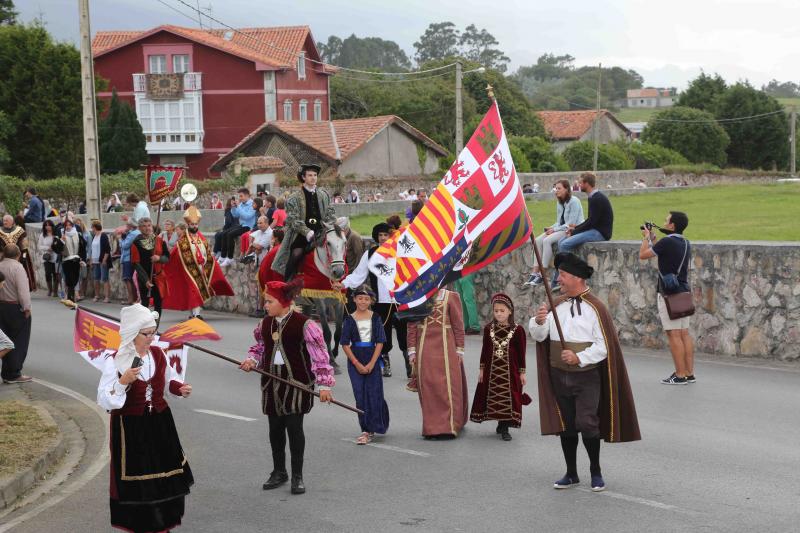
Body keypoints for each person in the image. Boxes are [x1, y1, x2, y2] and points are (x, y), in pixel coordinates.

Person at [529, 252, 641, 492]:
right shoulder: (555, 304)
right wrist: (538, 322)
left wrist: (579, 357)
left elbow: (604, 346)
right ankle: (571, 473)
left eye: (562, 274)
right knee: (567, 424)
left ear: (577, 278)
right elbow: (539, 336)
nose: (558, 279)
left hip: (586, 376)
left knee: (587, 422)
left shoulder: (596, 308)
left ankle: (595, 471)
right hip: (558, 374)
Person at [97, 304, 194, 532]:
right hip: (131, 428)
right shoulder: (116, 361)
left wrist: (179, 388)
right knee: (140, 482)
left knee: (164, 478)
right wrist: (122, 382)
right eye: (146, 334)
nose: (151, 338)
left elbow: (167, 382)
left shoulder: (158, 354)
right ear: (132, 333)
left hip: (160, 424)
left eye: (153, 332)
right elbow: (104, 399)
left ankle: (163, 527)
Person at [240, 279, 335, 495]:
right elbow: (260, 347)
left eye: (269, 301)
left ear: (283, 303)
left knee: (294, 429)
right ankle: (279, 471)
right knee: (275, 429)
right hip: (271, 382)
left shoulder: (305, 325)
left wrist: (324, 385)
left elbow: (320, 356)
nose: (265, 305)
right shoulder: (265, 324)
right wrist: (251, 360)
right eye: (265, 301)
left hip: (297, 383)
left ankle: (297, 476)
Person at [337, 223, 410, 378]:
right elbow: (359, 274)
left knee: (404, 333)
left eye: (385, 235)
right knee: (382, 334)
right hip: (380, 302)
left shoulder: (401, 252)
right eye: (380, 235)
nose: (383, 238)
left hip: (400, 300)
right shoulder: (370, 254)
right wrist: (343, 284)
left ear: (391, 236)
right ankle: (385, 363)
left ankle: (410, 364)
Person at [639, 211, 695, 385]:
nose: (664, 222)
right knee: (684, 334)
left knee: (674, 335)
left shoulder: (667, 242)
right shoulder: (685, 242)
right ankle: (688, 373)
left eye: (666, 220)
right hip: (683, 292)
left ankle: (679, 375)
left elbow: (643, 255)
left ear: (672, 225)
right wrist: (654, 239)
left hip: (668, 293)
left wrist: (646, 237)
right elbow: (664, 254)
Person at [407, 288, 469, 439]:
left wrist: (459, 349)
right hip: (424, 348)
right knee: (428, 386)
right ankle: (431, 428)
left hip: (447, 348)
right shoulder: (417, 296)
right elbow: (412, 325)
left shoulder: (451, 297)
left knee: (447, 387)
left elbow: (458, 324)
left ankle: (449, 427)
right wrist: (412, 351)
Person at [469, 293, 528, 441]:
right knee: (494, 395)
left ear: (510, 311)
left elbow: (521, 353)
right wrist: (482, 370)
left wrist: (522, 372)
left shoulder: (518, 330)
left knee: (509, 396)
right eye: (496, 311)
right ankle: (500, 424)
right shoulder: (489, 329)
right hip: (492, 370)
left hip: (510, 371)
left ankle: (504, 427)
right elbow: (485, 350)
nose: (499, 314)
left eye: (502, 311)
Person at [162, 206, 234, 320]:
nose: (194, 226)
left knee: (197, 291)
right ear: (188, 225)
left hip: (201, 268)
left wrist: (204, 260)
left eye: (196, 224)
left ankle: (194, 313)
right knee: (193, 290)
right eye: (192, 224)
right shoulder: (183, 241)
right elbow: (178, 255)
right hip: (188, 269)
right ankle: (196, 314)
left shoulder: (201, 239)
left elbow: (207, 252)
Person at [340, 286, 389, 444]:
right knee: (360, 396)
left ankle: (374, 426)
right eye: (360, 298)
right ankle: (365, 429)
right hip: (355, 360)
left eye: (366, 299)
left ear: (371, 301)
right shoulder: (349, 319)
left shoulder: (376, 318)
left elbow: (380, 341)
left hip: (372, 358)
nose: (363, 301)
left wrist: (372, 363)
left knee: (374, 394)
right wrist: (356, 363)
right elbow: (345, 344)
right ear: (354, 299)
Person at [272, 164, 336, 280]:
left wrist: (331, 226)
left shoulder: (324, 195)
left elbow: (330, 213)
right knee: (296, 253)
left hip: (321, 231)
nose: (313, 178)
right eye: (310, 175)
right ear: (303, 177)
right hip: (300, 233)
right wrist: (307, 232)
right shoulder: (294, 198)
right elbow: (293, 219)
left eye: (315, 175)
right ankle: (288, 281)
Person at [554, 172, 613, 290]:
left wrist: (574, 232)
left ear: (587, 184)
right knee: (561, 242)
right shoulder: (593, 197)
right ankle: (560, 279)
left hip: (600, 233)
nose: (579, 185)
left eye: (580, 183)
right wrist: (575, 229)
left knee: (565, 244)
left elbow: (591, 222)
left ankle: (569, 276)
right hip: (595, 230)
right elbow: (590, 221)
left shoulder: (596, 198)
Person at [525, 179, 585, 286]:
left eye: (559, 188)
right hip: (561, 228)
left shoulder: (574, 201)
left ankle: (542, 275)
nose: (556, 190)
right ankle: (534, 273)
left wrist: (554, 229)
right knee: (537, 240)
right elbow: (559, 222)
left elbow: (570, 223)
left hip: (571, 230)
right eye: (555, 188)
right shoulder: (559, 202)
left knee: (547, 241)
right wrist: (551, 227)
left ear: (566, 189)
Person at [0, 245, 33, 383]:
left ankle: (6, 371)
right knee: (18, 341)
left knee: (4, 339)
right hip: (14, 307)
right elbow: (23, 291)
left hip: (1, 306)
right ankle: (13, 373)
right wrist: (27, 308)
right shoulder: (18, 268)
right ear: (18, 255)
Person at [131, 217, 170, 316]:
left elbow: (167, 257)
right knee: (145, 304)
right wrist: (146, 280)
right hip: (145, 278)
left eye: (149, 225)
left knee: (158, 303)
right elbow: (136, 263)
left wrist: (159, 258)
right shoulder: (136, 243)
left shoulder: (159, 240)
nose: (147, 228)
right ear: (140, 228)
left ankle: (156, 324)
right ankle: (145, 324)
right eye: (144, 226)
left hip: (158, 277)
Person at [218, 188, 256, 266]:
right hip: (242, 225)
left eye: (241, 196)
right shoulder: (241, 204)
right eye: (239, 196)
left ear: (247, 195)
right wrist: (233, 207)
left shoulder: (252, 204)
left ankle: (230, 258)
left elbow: (247, 216)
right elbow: (235, 215)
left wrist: (238, 206)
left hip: (249, 226)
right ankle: (223, 256)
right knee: (224, 233)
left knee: (230, 234)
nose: (240, 198)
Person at [0, 214, 36, 291]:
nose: (4, 222)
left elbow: (24, 246)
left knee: (23, 271)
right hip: (3, 258)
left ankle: (24, 288)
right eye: (4, 220)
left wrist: (24, 256)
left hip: (18, 257)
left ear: (11, 221)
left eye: (6, 221)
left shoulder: (20, 231)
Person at [59, 219, 86, 302]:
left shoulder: (77, 234)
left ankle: (71, 297)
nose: (68, 227)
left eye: (69, 225)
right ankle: (70, 298)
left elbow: (82, 247)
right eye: (66, 225)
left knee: (75, 279)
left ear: (72, 226)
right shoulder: (61, 234)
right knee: (69, 279)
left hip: (76, 260)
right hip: (66, 260)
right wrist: (61, 241)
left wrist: (82, 259)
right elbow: (57, 249)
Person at [118, 219, 140, 305]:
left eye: (127, 225)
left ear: (131, 226)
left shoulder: (133, 234)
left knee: (128, 279)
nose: (126, 227)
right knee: (131, 279)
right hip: (131, 258)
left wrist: (120, 239)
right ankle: (134, 298)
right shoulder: (135, 233)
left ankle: (131, 299)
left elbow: (124, 245)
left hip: (128, 258)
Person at [89, 221, 112, 303]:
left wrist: (104, 260)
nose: (92, 229)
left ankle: (107, 297)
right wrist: (91, 260)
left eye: (92, 227)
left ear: (95, 227)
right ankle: (97, 295)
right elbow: (92, 249)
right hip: (95, 261)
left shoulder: (103, 235)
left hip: (102, 260)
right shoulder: (94, 236)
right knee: (96, 278)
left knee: (105, 278)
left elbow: (107, 249)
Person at [38, 220, 60, 297]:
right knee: (48, 273)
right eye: (46, 225)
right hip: (46, 257)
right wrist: (47, 248)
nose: (47, 227)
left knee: (56, 274)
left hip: (55, 256)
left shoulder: (56, 235)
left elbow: (59, 245)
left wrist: (54, 248)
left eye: (49, 225)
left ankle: (55, 291)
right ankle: (50, 290)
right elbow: (39, 246)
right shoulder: (42, 235)